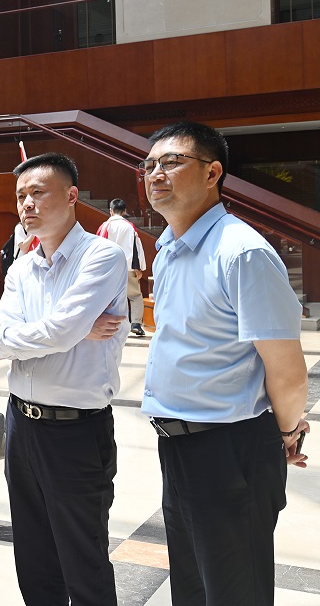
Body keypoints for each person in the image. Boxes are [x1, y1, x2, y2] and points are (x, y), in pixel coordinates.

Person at [140, 121, 309, 606]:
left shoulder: (242, 252)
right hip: (179, 446)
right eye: (149, 165)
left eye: (172, 162)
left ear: (213, 172)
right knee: (192, 589)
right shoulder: (169, 249)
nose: (156, 174)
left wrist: (286, 431)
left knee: (236, 592)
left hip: (230, 449)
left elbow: (287, 369)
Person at [0, 152, 128, 606]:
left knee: (83, 559)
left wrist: (64, 331)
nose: (26, 204)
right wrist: (73, 330)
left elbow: (53, 331)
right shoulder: (21, 268)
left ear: (71, 196)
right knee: (33, 555)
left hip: (76, 430)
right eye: (20, 196)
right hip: (20, 426)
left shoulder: (101, 256)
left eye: (37, 192)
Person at [97, 198, 147, 336]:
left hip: (110, 268)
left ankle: (111, 325)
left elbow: (99, 247)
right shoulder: (129, 226)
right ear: (124, 211)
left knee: (109, 297)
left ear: (111, 211)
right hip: (128, 267)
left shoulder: (105, 226)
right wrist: (138, 267)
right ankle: (136, 323)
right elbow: (136, 247)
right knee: (135, 296)